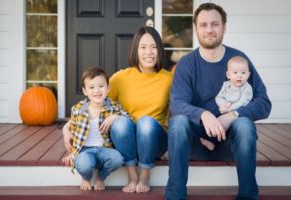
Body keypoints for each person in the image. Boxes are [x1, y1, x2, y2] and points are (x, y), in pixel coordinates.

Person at [165, 3, 271, 200]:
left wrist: (232, 115)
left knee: (245, 125)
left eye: (215, 24)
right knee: (178, 122)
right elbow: (177, 104)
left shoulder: (239, 61)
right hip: (196, 144)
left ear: (224, 27)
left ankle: (248, 196)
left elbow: (264, 102)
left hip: (230, 145)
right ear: (196, 29)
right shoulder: (188, 64)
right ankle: (175, 196)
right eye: (203, 25)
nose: (209, 30)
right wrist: (204, 115)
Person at [63, 26, 173, 193]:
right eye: (143, 47)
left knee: (145, 123)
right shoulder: (120, 78)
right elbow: (93, 102)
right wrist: (66, 127)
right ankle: (132, 175)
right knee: (120, 122)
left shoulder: (169, 79)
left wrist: (172, 145)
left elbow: (179, 111)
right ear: (135, 50)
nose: (148, 52)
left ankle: (144, 175)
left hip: (154, 141)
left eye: (153, 47)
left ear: (160, 50)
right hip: (125, 140)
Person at [62, 67, 127, 191]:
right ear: (85, 91)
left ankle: (101, 177)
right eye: (91, 87)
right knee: (84, 164)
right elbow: (74, 131)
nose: (97, 91)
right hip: (84, 150)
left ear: (108, 88)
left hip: (105, 148)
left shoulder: (113, 106)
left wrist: (114, 117)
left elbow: (128, 118)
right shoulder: (78, 109)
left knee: (118, 159)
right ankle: (86, 178)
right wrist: (72, 153)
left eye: (101, 86)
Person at [201, 56, 253, 151]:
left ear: (248, 75)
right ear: (228, 75)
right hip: (223, 109)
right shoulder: (226, 85)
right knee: (215, 121)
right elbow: (219, 97)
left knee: (238, 125)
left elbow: (244, 101)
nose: (239, 76)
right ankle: (209, 139)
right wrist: (223, 104)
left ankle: (215, 142)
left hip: (237, 114)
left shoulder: (247, 88)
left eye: (243, 73)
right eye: (235, 72)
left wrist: (230, 109)